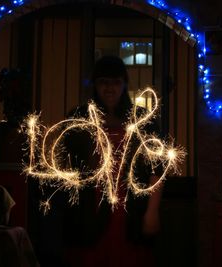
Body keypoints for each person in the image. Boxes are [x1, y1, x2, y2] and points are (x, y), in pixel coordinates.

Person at [61, 55, 163, 267]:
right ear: (95, 85)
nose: (109, 88)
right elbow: (64, 163)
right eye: (103, 82)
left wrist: (152, 211)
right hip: (90, 204)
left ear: (124, 84)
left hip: (131, 205)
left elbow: (157, 168)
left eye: (115, 82)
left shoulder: (141, 119)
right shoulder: (80, 116)